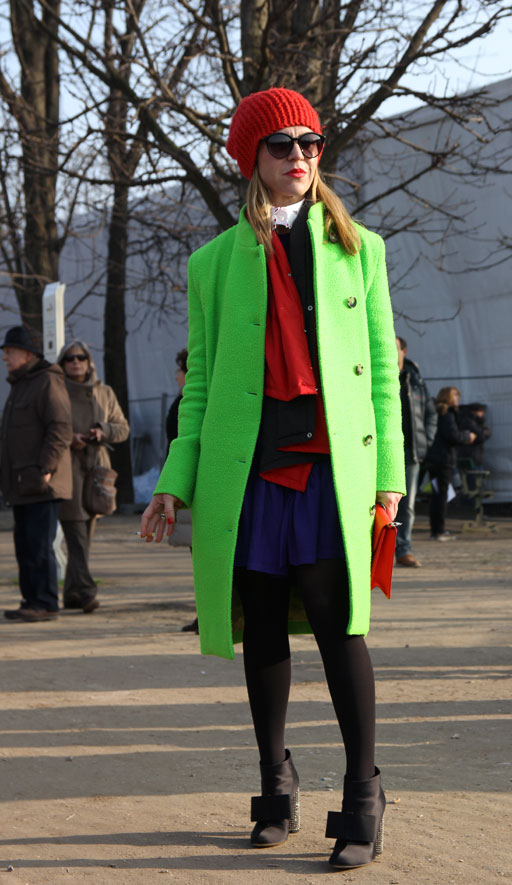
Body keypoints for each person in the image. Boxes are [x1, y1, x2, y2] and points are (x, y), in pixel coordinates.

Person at [140, 87, 405, 871]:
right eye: (284, 145)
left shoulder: (363, 249)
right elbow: (200, 384)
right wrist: (174, 479)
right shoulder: (212, 263)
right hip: (248, 471)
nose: (301, 157)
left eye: (313, 143)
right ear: (252, 158)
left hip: (332, 469)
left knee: (336, 621)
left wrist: (391, 476)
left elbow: (383, 379)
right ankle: (274, 784)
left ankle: (364, 792)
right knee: (260, 623)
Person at [1, 325, 72, 621]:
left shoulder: (46, 382)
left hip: (42, 483)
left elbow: (60, 428)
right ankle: (31, 600)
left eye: (9, 352)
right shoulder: (21, 384)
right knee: (26, 546)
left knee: (39, 545)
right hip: (22, 484)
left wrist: (46, 468)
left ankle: (45, 603)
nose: (5, 358)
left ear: (27, 354)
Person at [57, 341, 129, 613]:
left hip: (97, 469)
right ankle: (87, 592)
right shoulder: (56, 390)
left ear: (89, 361)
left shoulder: (105, 392)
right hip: (67, 468)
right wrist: (69, 438)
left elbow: (123, 429)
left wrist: (103, 430)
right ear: (62, 364)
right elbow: (48, 427)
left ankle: (71, 594)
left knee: (85, 533)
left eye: (81, 357)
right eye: (69, 359)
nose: (76, 363)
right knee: (74, 529)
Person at [394, 336, 437, 567]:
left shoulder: (416, 380)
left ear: (404, 350)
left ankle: (403, 549)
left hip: (411, 452)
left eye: (394, 348)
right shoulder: (376, 374)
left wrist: (426, 441)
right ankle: (377, 553)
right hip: (382, 451)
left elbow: (431, 414)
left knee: (406, 505)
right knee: (379, 505)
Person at [165, 347, 198, 634]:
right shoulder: (182, 402)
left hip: (193, 488)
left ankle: (213, 614)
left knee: (202, 553)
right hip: (185, 485)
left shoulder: (188, 404)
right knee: (196, 554)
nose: (176, 376)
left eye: (179, 370)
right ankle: (206, 613)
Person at [424, 387, 476, 540]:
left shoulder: (435, 411)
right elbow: (452, 435)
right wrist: (467, 436)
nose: (458, 399)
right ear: (448, 397)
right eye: (455, 395)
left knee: (436, 494)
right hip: (443, 460)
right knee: (442, 494)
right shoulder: (447, 414)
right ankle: (439, 530)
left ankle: (436, 529)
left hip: (433, 459)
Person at [457, 402, 491, 467]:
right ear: (475, 411)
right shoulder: (469, 421)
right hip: (471, 455)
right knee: (474, 475)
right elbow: (480, 435)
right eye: (481, 412)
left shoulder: (466, 419)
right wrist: (487, 431)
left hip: (469, 454)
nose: (482, 414)